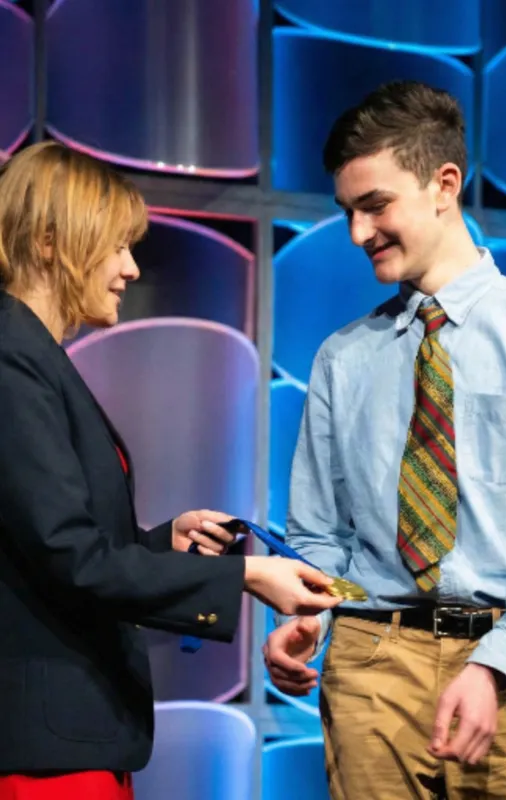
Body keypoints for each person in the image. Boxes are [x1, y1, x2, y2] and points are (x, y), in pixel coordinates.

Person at [263, 79, 506, 799]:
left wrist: (496, 662)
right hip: (371, 664)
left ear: (444, 184)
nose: (357, 234)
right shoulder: (342, 357)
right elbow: (318, 533)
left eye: (375, 205)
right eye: (348, 212)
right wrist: (308, 616)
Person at [0, 141, 341, 800]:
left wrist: (164, 543)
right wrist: (246, 576)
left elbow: (52, 547)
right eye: (117, 247)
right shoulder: (13, 360)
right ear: (48, 242)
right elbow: (70, 559)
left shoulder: (35, 358)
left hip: (75, 736)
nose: (131, 268)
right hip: (46, 754)